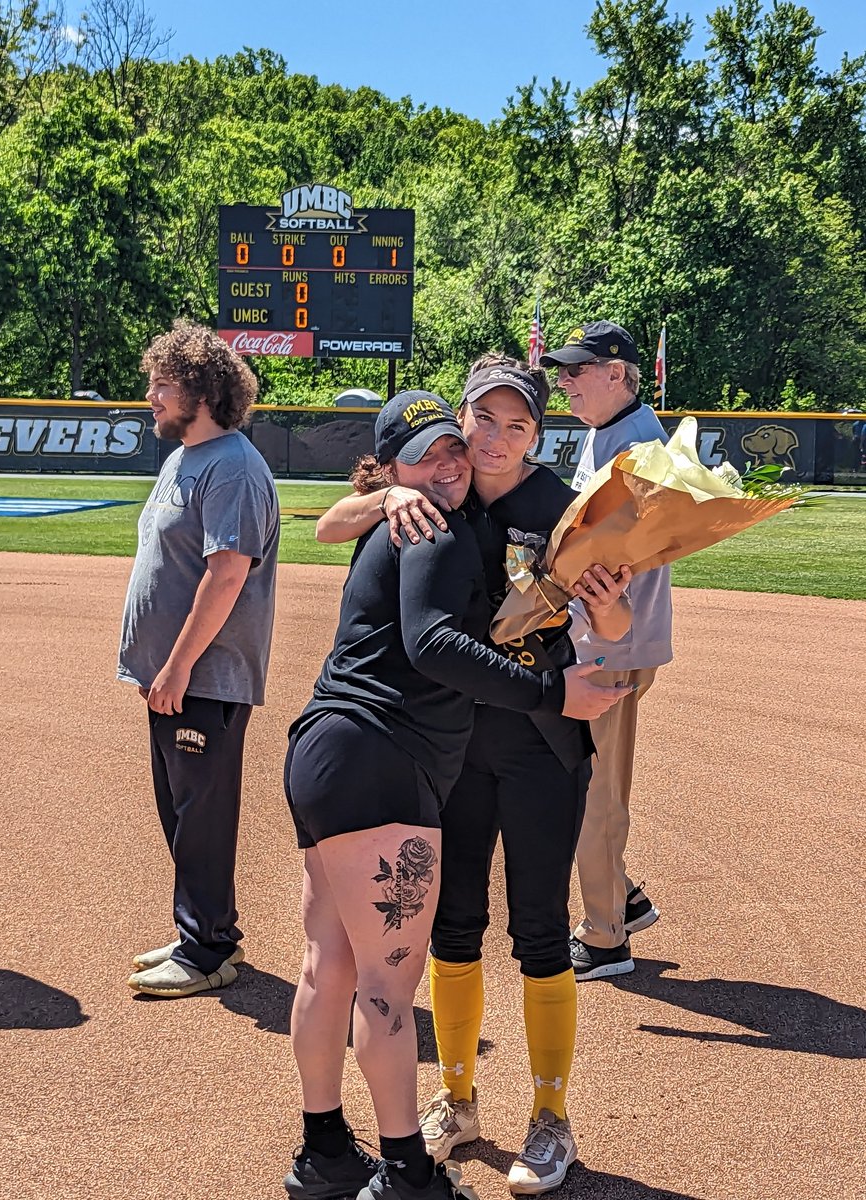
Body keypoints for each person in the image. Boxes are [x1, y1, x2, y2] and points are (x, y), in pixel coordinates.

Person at [284, 390, 630, 1200]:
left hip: (460, 750)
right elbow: (354, 546)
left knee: (355, 960)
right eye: (474, 430)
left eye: (517, 426)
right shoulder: (430, 513)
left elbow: (614, 626)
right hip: (418, 754)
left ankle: (532, 1118)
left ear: (538, 436)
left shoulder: (550, 507)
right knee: (419, 953)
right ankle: (424, 1143)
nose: (479, 447)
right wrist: (385, 493)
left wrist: (607, 616)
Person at [117, 321, 279, 998]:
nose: (151, 394)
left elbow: (226, 574)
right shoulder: (186, 456)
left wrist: (180, 665)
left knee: (202, 814)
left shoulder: (233, 466)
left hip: (203, 678)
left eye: (164, 383)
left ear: (204, 390)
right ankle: (198, 931)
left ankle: (208, 949)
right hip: (172, 677)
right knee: (182, 810)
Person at [540, 321, 673, 982]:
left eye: (578, 370)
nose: (564, 380)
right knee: (582, 778)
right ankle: (621, 896)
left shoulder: (640, 447)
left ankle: (604, 937)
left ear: (617, 374)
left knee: (591, 790)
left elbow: (621, 557)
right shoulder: (610, 433)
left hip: (612, 645)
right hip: (597, 639)